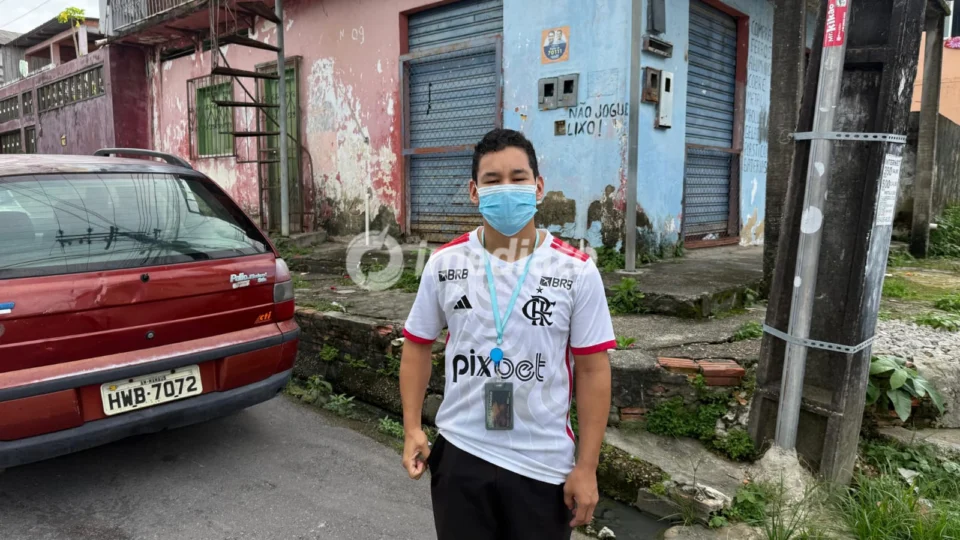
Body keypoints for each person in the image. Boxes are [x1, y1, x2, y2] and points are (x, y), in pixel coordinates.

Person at [399, 128, 615, 540]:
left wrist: (586, 467)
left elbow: (592, 371)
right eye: (492, 180)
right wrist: (412, 427)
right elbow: (417, 344)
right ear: (473, 191)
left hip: (543, 467)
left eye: (518, 178)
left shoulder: (576, 271)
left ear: (538, 186)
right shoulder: (445, 264)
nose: (507, 189)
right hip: (462, 455)